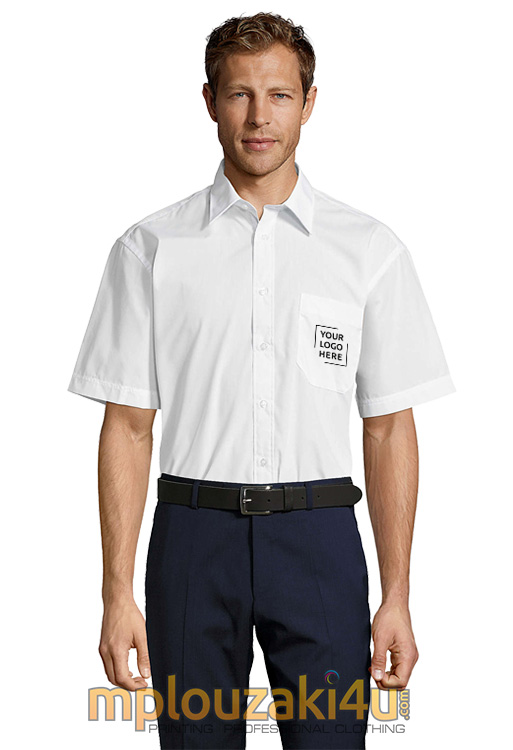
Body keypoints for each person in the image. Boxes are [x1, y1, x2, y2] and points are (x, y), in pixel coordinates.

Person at [67, 12, 456, 750]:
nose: (258, 117)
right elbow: (127, 427)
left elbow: (387, 427)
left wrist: (396, 595)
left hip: (319, 540)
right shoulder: (150, 248)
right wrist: (117, 593)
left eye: (278, 95)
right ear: (209, 101)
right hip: (192, 539)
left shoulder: (369, 251)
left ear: (309, 104)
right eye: (239, 94)